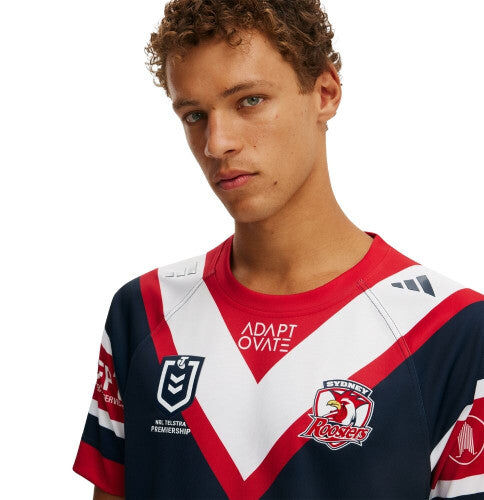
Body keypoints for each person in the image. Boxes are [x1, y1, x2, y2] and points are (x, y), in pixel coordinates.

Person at [72, 1, 484, 498]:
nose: (217, 143)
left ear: (325, 93)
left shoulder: (449, 330)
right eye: (195, 115)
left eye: (249, 100)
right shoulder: (143, 313)